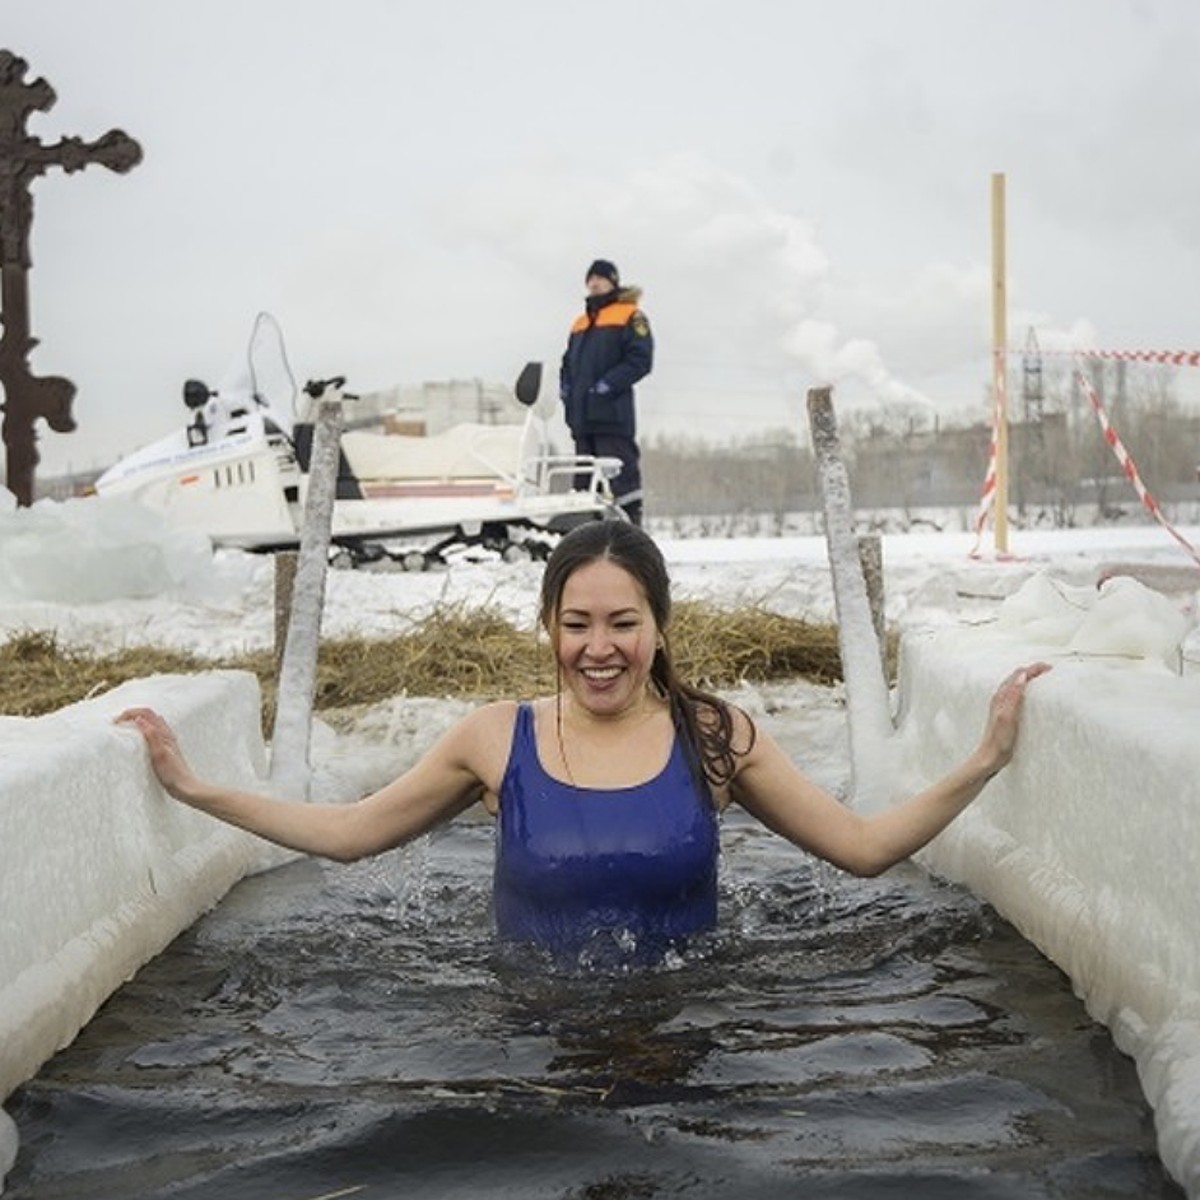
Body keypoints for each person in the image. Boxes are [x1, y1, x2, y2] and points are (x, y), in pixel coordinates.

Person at [116, 521, 1049, 964]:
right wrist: (199, 792)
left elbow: (864, 851)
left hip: (689, 1026)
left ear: (660, 625)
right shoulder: (495, 740)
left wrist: (985, 760)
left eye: (622, 623)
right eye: (575, 625)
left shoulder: (716, 737)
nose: (597, 650)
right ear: (549, 627)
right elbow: (353, 832)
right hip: (529, 1030)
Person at [559, 259, 653, 527]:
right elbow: (567, 363)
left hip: (612, 416)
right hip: (581, 418)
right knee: (584, 486)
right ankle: (586, 540)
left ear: (612, 282)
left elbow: (640, 361)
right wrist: (565, 389)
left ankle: (632, 533)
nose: (593, 283)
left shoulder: (630, 315)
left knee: (622, 480)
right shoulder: (579, 323)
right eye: (590, 279)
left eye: (600, 278)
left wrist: (607, 386)